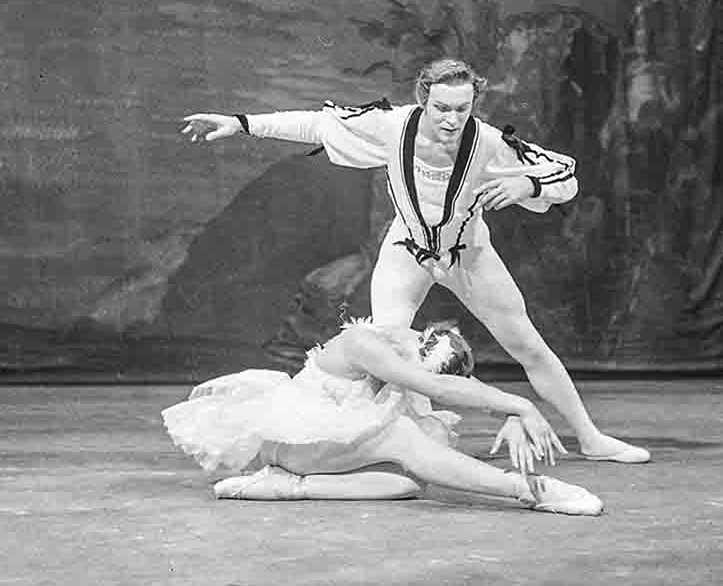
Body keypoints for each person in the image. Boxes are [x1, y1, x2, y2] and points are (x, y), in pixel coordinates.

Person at [181, 58, 649, 464]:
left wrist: (529, 186)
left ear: (474, 105)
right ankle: (367, 444)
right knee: (383, 357)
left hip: (469, 254)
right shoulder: (391, 126)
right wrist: (241, 123)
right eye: (441, 108)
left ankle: (590, 437)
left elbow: (562, 174)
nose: (450, 119)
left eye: (461, 109)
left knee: (527, 345)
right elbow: (316, 125)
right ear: (423, 99)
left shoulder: (487, 143)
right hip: (407, 252)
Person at [163, 319, 603, 515]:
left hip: (319, 455)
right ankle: (527, 490)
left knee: (409, 482)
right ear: (419, 342)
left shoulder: (405, 353)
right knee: (404, 437)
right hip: (296, 438)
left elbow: (449, 384)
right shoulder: (364, 343)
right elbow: (435, 386)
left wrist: (508, 414)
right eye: (419, 362)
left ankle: (291, 488)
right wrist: (521, 405)